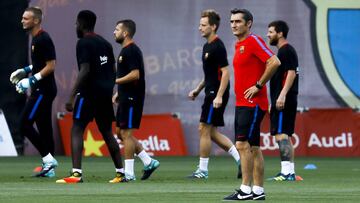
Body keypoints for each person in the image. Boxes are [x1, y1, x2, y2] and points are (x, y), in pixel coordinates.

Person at [56, 10, 125, 183]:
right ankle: (121, 173)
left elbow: (85, 70)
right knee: (107, 132)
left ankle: (76, 174)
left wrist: (71, 97)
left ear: (81, 24)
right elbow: (114, 70)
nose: (75, 27)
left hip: (88, 94)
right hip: (104, 94)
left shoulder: (83, 43)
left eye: (76, 24)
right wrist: (109, 89)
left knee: (77, 129)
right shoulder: (106, 43)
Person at [223, 8, 280, 201]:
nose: (234, 25)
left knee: (241, 144)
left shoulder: (254, 41)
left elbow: (274, 61)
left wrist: (258, 85)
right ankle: (258, 191)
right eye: (232, 21)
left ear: (249, 24)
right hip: (243, 103)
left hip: (253, 103)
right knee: (254, 147)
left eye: (238, 21)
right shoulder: (239, 44)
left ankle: (245, 190)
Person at [187, 9, 241, 179]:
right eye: (199, 25)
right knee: (210, 132)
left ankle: (202, 171)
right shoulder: (206, 46)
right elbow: (210, 74)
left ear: (213, 26)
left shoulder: (218, 46)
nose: (199, 28)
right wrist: (197, 89)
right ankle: (241, 160)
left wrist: (218, 95)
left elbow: (225, 72)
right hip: (210, 92)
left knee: (203, 128)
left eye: (203, 25)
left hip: (215, 94)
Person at [10, 6, 58, 177]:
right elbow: (40, 64)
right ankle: (50, 169)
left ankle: (48, 160)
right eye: (23, 18)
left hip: (43, 90)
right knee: (44, 127)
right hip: (41, 88)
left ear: (36, 21)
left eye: (26, 18)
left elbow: (51, 65)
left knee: (24, 124)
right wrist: (25, 70)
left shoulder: (43, 39)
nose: (22, 20)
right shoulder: (35, 38)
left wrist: (30, 80)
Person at [113, 19, 159, 181]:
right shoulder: (125, 50)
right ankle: (149, 161)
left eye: (117, 29)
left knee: (126, 133)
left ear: (125, 33)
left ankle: (129, 173)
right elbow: (128, 75)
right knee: (120, 133)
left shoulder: (131, 50)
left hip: (133, 98)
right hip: (126, 95)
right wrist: (119, 92)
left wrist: (115, 81)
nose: (114, 32)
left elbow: (135, 74)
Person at [267, 20, 302, 181]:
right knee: (284, 135)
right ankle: (290, 173)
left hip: (284, 100)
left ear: (280, 33)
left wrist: (281, 96)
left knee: (281, 135)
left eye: (271, 32)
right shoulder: (282, 51)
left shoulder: (286, 50)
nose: (268, 34)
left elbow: (291, 73)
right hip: (280, 99)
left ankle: (286, 173)